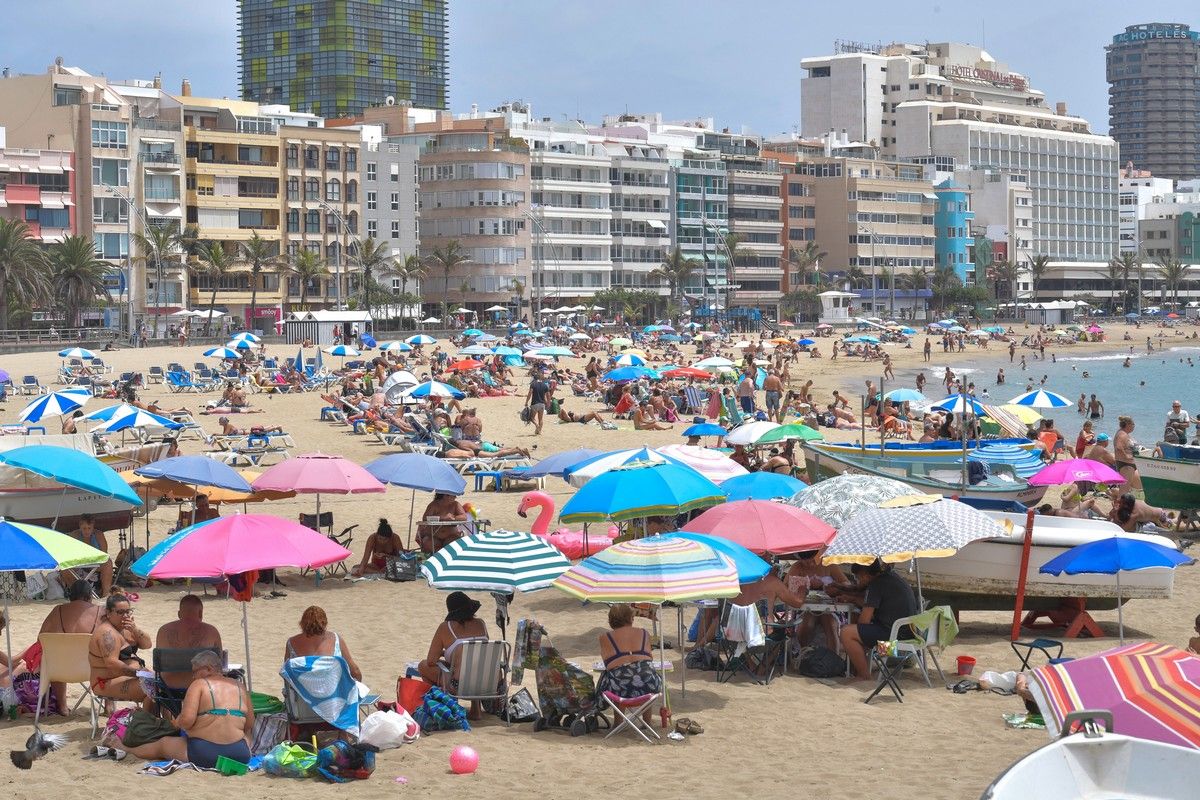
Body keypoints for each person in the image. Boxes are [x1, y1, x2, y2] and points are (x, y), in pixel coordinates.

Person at [124, 650, 253, 769]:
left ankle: (125, 749)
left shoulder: (199, 685)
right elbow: (250, 723)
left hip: (206, 754)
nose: (193, 676)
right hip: (240, 755)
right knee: (246, 736)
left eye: (195, 671)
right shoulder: (239, 686)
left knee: (163, 744)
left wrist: (178, 722)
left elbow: (186, 722)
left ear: (208, 669)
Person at [839, 560, 919, 680]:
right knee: (859, 632)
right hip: (909, 636)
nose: (858, 581)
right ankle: (855, 669)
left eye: (858, 577)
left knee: (847, 633)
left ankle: (863, 675)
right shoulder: (890, 577)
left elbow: (864, 621)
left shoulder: (876, 585)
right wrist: (853, 599)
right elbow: (877, 604)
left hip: (894, 644)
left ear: (864, 574)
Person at [417, 592, 489, 717]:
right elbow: (479, 653)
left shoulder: (446, 627)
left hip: (459, 686)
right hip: (486, 683)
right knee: (474, 665)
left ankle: (442, 704)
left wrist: (443, 653)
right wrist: (451, 655)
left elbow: (431, 661)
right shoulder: (481, 624)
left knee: (423, 666)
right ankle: (475, 707)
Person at [595, 604, 661, 722]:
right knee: (645, 674)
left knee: (617, 674)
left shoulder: (604, 637)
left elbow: (608, 664)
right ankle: (647, 722)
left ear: (611, 620)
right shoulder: (644, 633)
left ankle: (618, 722)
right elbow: (649, 657)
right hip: (649, 684)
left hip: (621, 689)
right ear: (631, 618)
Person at [88, 594, 152, 703]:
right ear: (108, 613)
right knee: (152, 689)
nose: (125, 616)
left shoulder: (127, 629)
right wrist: (141, 673)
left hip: (124, 678)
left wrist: (135, 629)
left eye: (128, 611)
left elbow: (147, 645)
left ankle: (162, 720)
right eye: (120, 612)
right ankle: (149, 719)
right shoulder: (107, 634)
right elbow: (112, 664)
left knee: (164, 687)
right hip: (105, 682)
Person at [155, 595, 223, 697]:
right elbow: (219, 663)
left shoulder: (162, 630)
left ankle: (171, 712)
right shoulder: (212, 631)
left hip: (168, 688)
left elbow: (158, 665)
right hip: (203, 686)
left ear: (179, 614)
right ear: (200, 613)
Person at [284, 606, 363, 681]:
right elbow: (355, 671)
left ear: (302, 623)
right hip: (333, 693)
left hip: (302, 694)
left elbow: (286, 673)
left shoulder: (291, 642)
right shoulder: (335, 639)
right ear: (325, 623)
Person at [60, 514, 112, 597]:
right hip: (79, 563)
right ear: (80, 527)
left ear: (93, 527)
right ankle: (74, 592)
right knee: (63, 566)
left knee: (108, 562)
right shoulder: (74, 535)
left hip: (96, 563)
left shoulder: (99, 535)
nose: (86, 531)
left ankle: (106, 593)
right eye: (84, 528)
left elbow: (104, 553)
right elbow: (68, 553)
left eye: (89, 528)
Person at [1113, 415, 1142, 492]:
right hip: (1126, 464)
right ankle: (1119, 503)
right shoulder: (1122, 434)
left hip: (1126, 464)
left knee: (1127, 489)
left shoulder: (1123, 433)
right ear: (1128, 424)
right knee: (1124, 490)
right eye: (1133, 424)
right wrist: (1127, 456)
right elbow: (1118, 447)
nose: (1134, 426)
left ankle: (1120, 502)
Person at [525, 370, 552, 435]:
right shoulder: (545, 385)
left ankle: (537, 426)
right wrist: (548, 403)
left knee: (531, 418)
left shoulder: (533, 384)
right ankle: (539, 431)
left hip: (535, 403)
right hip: (542, 404)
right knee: (541, 419)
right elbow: (548, 395)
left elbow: (530, 393)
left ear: (534, 379)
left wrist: (526, 401)